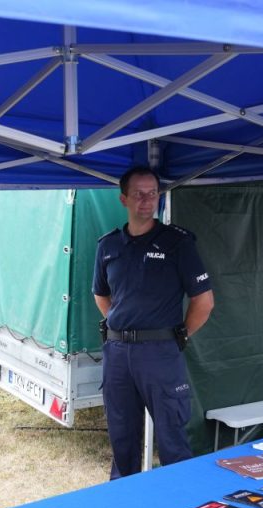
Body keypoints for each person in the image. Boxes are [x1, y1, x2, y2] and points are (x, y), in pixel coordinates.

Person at [92, 167, 214, 479]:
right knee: (122, 439)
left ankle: (180, 500)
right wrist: (123, 326)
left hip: (160, 353)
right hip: (117, 355)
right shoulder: (108, 246)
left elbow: (204, 301)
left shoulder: (177, 243)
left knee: (173, 440)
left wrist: (180, 335)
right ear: (124, 199)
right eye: (139, 194)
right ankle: (124, 499)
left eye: (153, 194)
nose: (147, 200)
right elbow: (101, 295)